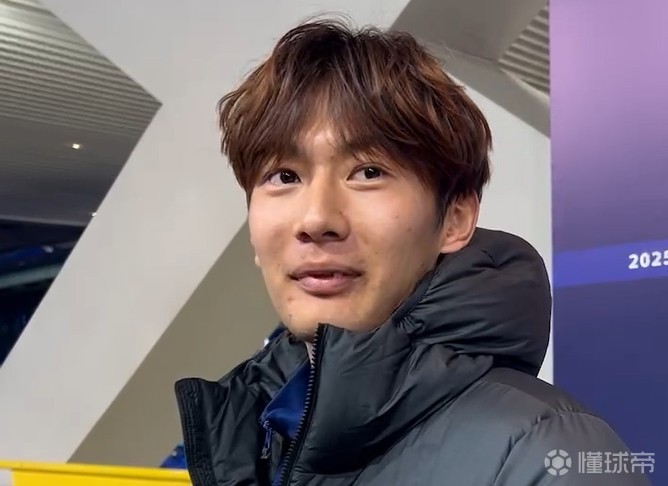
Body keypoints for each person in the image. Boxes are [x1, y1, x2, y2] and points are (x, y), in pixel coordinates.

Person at [174, 19, 649, 486]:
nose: (315, 219)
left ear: (455, 219)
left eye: (369, 172)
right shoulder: (257, 430)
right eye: (284, 176)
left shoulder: (549, 453)